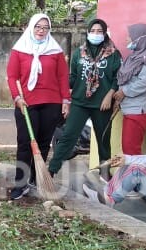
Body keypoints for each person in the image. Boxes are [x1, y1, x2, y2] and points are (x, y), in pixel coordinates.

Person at [6, 13, 70, 200]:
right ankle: (21, 183)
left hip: (52, 102)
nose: (41, 31)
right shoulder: (19, 50)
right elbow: (12, 76)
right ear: (31, 28)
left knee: (43, 144)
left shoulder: (55, 51)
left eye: (45, 27)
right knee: (25, 143)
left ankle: (35, 178)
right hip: (26, 102)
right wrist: (17, 97)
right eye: (38, 27)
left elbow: (62, 78)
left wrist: (65, 101)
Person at [48, 19, 123, 174]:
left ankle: (104, 174)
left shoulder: (114, 54)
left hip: (102, 104)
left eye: (99, 31)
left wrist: (110, 95)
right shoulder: (79, 53)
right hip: (80, 102)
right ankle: (51, 171)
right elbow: (74, 78)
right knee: (68, 136)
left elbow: (118, 78)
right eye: (93, 31)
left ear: (105, 33)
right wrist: (55, 84)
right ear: (88, 33)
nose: (96, 34)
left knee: (103, 140)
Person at [113, 23, 146, 155]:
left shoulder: (145, 59)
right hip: (131, 108)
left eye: (130, 36)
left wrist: (123, 92)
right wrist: (119, 100)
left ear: (141, 39)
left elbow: (144, 82)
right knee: (129, 148)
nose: (127, 39)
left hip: (139, 110)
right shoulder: (134, 57)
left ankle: (135, 175)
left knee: (130, 150)